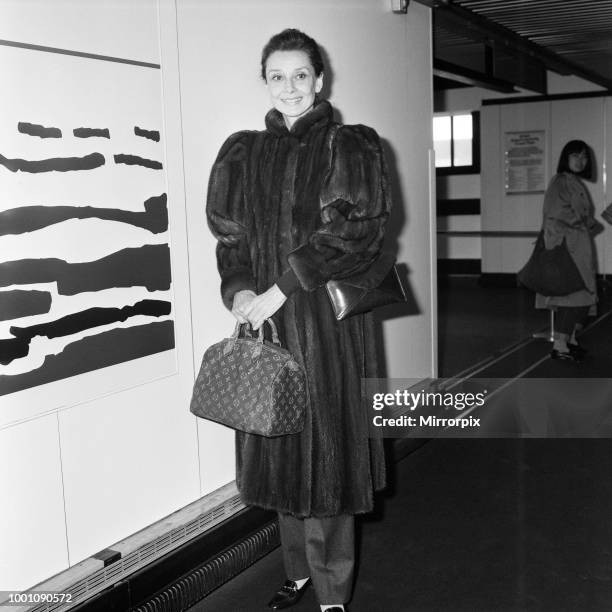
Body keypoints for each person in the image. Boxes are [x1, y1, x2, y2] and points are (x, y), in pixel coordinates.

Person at [206, 28, 389, 612]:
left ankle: (333, 589)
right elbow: (230, 236)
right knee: (280, 445)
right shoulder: (243, 151)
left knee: (328, 459)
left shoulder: (348, 145)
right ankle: (297, 571)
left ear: (320, 79)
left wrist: (282, 287)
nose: (289, 87)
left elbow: (356, 232)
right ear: (265, 80)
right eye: (278, 75)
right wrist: (237, 290)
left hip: (327, 327)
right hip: (266, 323)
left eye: (301, 75)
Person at [536, 140, 603, 361]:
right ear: (566, 158)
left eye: (584, 156)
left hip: (578, 246)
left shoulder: (574, 182)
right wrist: (585, 224)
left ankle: (570, 339)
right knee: (572, 297)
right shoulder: (560, 182)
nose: (580, 160)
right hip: (566, 248)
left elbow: (579, 215)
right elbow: (556, 214)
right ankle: (560, 345)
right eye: (575, 156)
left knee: (582, 297)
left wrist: (592, 224)